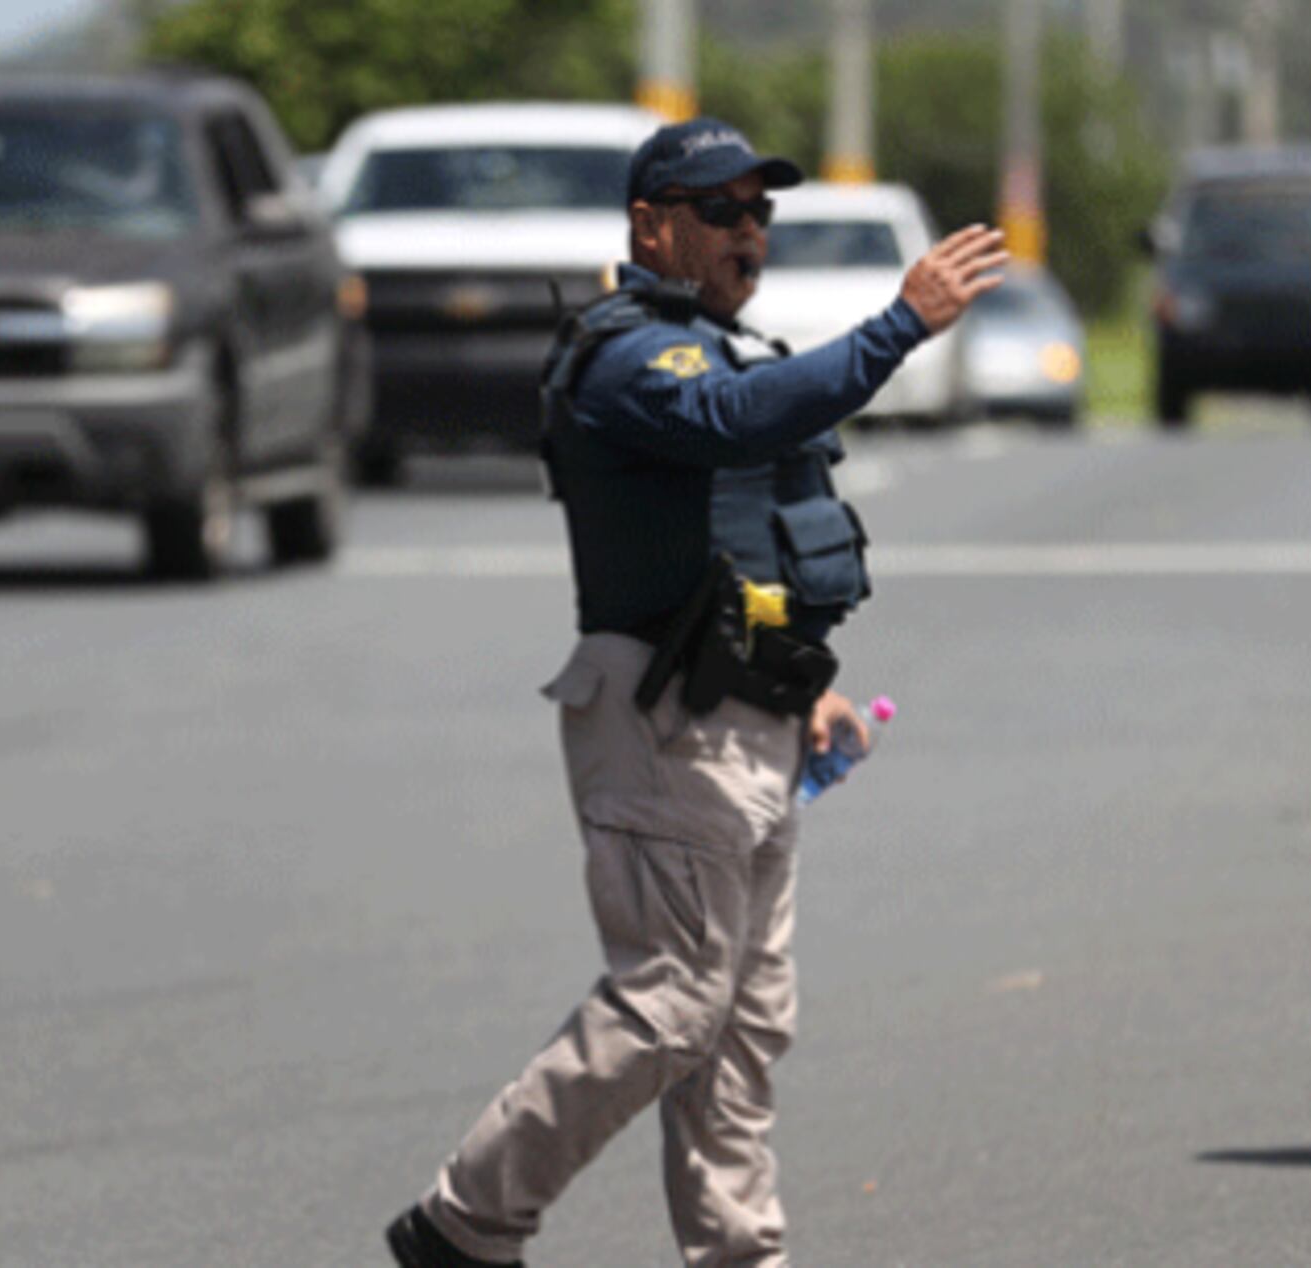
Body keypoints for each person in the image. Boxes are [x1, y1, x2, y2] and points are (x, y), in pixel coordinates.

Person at [385, 118, 1005, 1267]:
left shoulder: (723, 347)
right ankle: (464, 1220)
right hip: (664, 721)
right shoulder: (630, 355)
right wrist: (900, 323)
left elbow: (756, 537)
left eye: (759, 211)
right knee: (671, 1002)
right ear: (651, 223)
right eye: (720, 211)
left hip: (750, 715)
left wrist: (808, 683)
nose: (747, 232)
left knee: (742, 1023)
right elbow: (735, 427)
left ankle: (737, 1254)